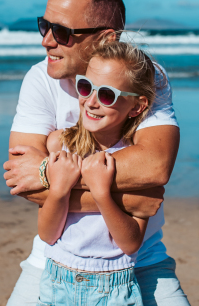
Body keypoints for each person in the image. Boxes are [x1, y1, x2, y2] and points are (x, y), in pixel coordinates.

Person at [3, 0, 190, 306]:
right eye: (43, 26)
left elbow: (156, 166)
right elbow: (24, 181)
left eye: (62, 32)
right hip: (54, 262)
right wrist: (131, 199)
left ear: (106, 38)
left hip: (140, 262)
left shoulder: (146, 77)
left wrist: (52, 174)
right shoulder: (39, 79)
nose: (46, 41)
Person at [38, 41, 156, 305]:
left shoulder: (137, 162)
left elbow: (130, 243)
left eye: (106, 95)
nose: (90, 102)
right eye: (85, 87)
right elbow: (47, 234)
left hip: (114, 287)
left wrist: (102, 194)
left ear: (136, 106)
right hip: (56, 283)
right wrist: (59, 190)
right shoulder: (60, 144)